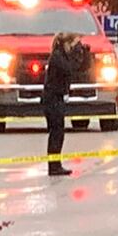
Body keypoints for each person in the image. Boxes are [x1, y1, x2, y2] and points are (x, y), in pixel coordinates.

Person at [42, 32, 89, 177]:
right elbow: (69, 69)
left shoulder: (64, 56)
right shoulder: (57, 57)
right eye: (73, 44)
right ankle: (53, 165)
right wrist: (75, 52)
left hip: (59, 97)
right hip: (52, 98)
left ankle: (56, 164)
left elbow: (81, 69)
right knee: (56, 132)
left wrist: (85, 53)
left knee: (59, 132)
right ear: (66, 43)